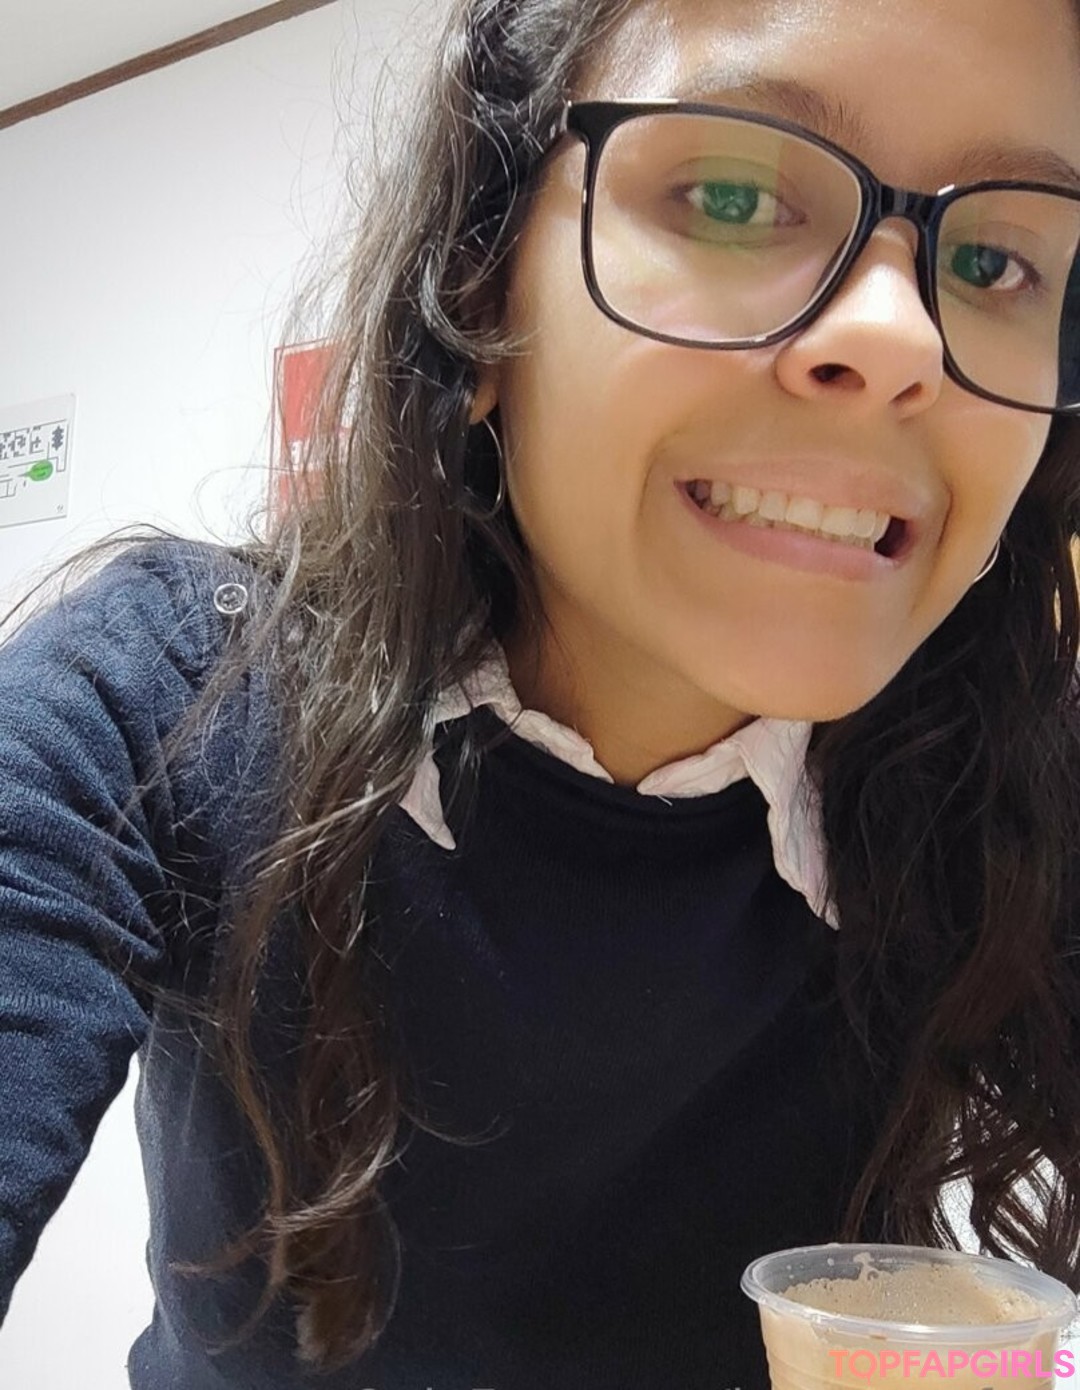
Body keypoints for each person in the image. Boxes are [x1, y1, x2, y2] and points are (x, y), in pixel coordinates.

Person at [3, 0, 1080, 1385]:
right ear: (479, 284)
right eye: (735, 195)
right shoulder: (166, 697)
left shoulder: (999, 794)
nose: (900, 337)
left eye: (996, 260)